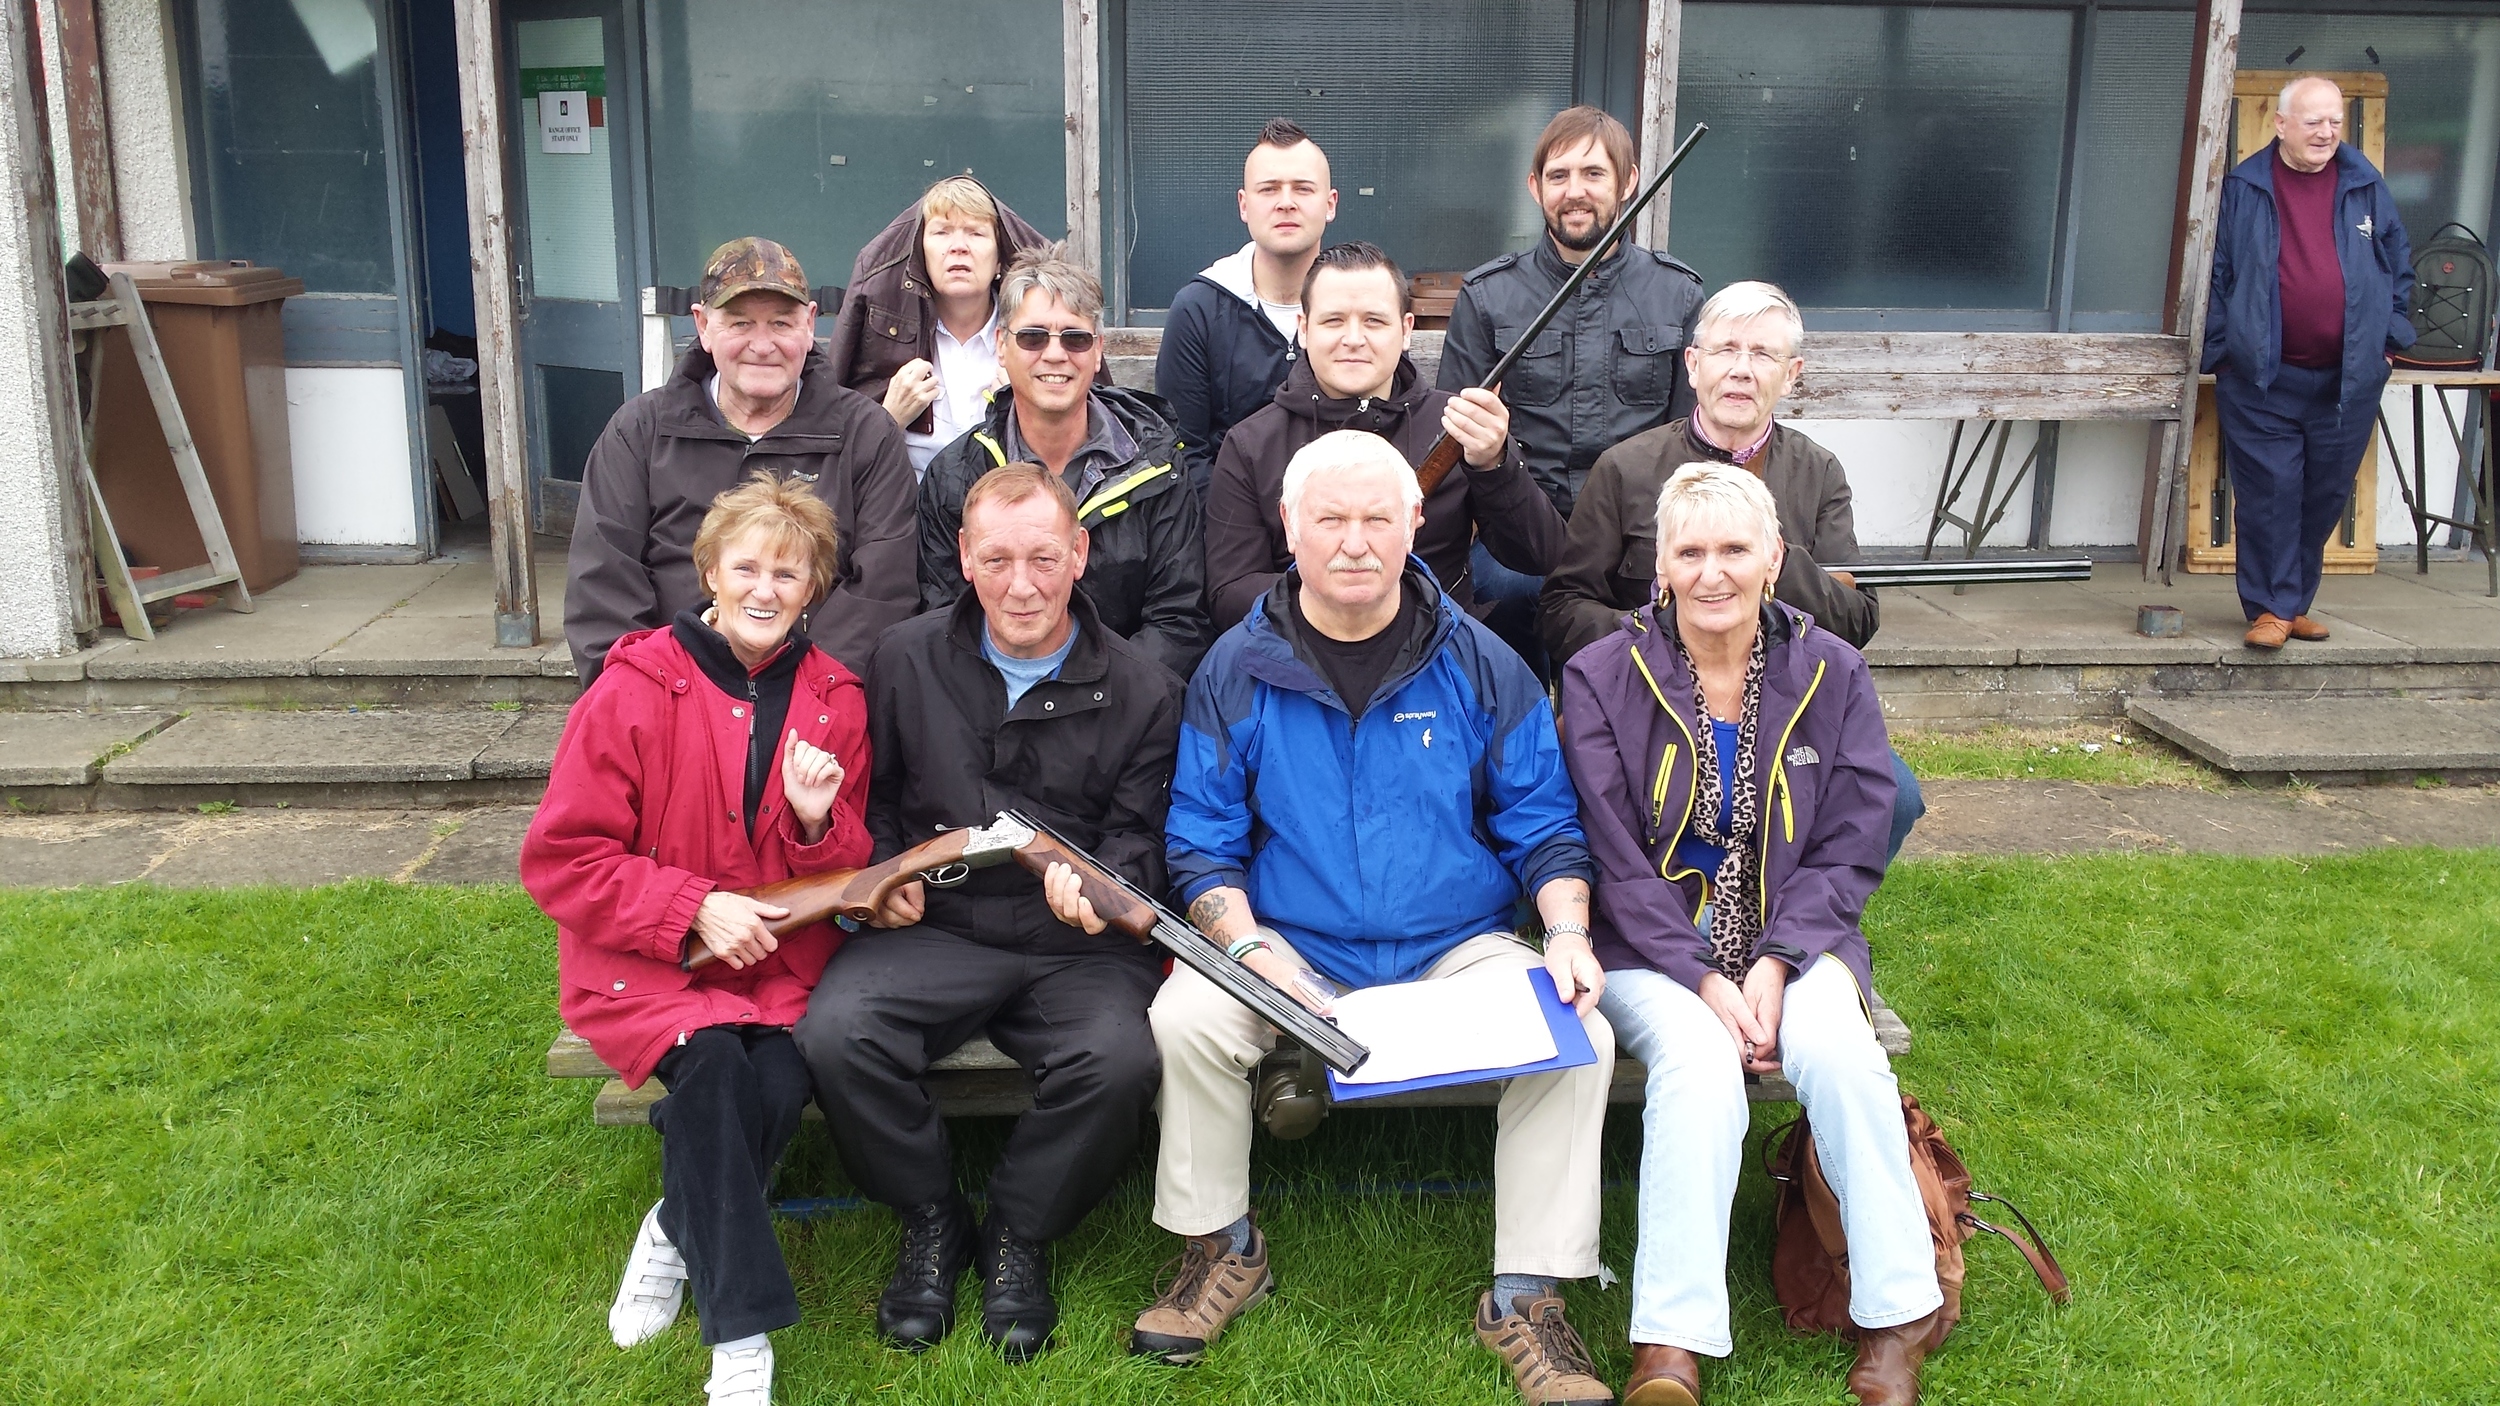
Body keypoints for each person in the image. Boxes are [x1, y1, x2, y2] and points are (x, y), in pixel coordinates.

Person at [1140, 430, 1617, 1406]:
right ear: (1289, 528)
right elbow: (1199, 838)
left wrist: (1566, 931)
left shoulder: (1483, 662)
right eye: (1330, 518)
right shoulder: (1235, 668)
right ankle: (1220, 1247)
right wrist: (1242, 942)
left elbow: (1545, 824)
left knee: (1583, 1034)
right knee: (1184, 1015)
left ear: (1413, 524)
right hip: (1288, 945)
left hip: (1450, 944)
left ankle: (1527, 1293)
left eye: (1375, 519)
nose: (1353, 541)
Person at [1558, 463, 1942, 1406]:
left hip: (1796, 942)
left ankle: (1900, 1316)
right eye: (1690, 552)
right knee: (1694, 1064)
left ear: (1774, 557)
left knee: (1843, 1055)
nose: (1712, 573)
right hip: (1651, 949)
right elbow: (1611, 854)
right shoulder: (1603, 673)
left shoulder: (1831, 671)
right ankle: (1670, 1342)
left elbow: (1855, 839)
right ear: (1661, 565)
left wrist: (1776, 961)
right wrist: (1703, 978)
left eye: (1734, 549)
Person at [796, 463, 1185, 1362]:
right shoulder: (904, 655)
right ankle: (930, 1219)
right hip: (939, 927)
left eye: (1045, 557)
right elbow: (881, 803)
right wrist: (883, 883)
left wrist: (1096, 891)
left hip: (1073, 944)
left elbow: (1141, 839)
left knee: (1120, 1059)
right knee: (837, 1033)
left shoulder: (1143, 686)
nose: (1023, 584)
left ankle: (1018, 1228)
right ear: (964, 557)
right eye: (999, 558)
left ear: (1080, 553)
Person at [524, 474, 872, 1406]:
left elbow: (845, 877)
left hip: (774, 970)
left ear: (814, 590)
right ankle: (743, 1335)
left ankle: (673, 1228)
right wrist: (690, 908)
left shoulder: (836, 696)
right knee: (715, 1072)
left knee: (777, 1079)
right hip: (653, 966)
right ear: (710, 572)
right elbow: (560, 859)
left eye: (788, 574)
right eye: (747, 567)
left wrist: (812, 822)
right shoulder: (634, 687)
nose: (765, 589)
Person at [1540, 281, 1924, 863]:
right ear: (1693, 365)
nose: (1742, 371)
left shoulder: (1818, 472)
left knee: (1896, 795)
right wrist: (1650, 638)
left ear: (1791, 374)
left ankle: (1796, 905)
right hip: (1652, 700)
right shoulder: (1626, 468)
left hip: (1780, 701)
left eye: (1763, 355)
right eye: (1725, 351)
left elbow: (1854, 620)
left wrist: (1773, 556)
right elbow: (1563, 607)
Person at [568, 237, 918, 683]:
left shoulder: (866, 434)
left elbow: (884, 588)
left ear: (810, 325)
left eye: (780, 323)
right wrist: (653, 693)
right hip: (670, 692)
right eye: (740, 324)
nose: (762, 344)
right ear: (703, 325)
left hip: (814, 698)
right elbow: (602, 584)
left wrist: (811, 694)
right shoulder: (640, 431)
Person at [1440, 105, 1705, 678]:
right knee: (1506, 599)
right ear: (1535, 187)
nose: (1575, 192)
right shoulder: (1489, 296)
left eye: (1593, 174)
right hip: (1518, 534)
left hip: (1641, 532)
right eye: (1558, 176)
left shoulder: (1677, 294)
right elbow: (1455, 437)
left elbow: (1693, 440)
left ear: (1629, 180)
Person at [1203, 240, 1563, 631]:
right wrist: (1341, 601)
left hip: (1438, 655)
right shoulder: (1251, 444)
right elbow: (1229, 592)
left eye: (1374, 321)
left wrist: (1495, 465)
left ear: (1406, 329)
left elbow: (1541, 556)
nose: (1354, 338)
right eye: (1333, 321)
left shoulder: (1456, 427)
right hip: (1293, 658)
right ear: (1303, 329)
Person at [919, 243, 1210, 677]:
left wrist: (1099, 698)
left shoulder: (1159, 467)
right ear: (1001, 346)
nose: (1055, 354)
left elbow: (1178, 620)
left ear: (1097, 352)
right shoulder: (954, 475)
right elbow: (944, 619)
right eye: (1033, 337)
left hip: (1121, 707)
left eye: (1074, 338)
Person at [2205, 74, 2415, 650]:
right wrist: (2225, 350)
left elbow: (2398, 268)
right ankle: (2271, 608)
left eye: (2335, 122)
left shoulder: (2366, 185)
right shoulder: (2244, 189)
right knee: (2272, 492)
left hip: (2348, 379)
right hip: (2262, 378)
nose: (2327, 133)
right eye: (2313, 121)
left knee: (2323, 493)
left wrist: (2388, 343)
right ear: (2280, 125)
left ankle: (2290, 601)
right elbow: (2214, 278)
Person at [828, 175, 1100, 478]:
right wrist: (889, 417)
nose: (958, 247)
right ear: (922, 256)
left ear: (999, 259)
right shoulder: (888, 337)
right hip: (909, 515)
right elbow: (837, 457)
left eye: (975, 233)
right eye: (942, 232)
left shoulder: (1031, 339)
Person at [1157, 118, 1339, 495]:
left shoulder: (1358, 303)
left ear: (1330, 204)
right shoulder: (1199, 310)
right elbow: (1184, 452)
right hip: (1228, 532)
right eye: (1269, 189)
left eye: (1303, 189)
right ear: (1244, 205)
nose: (1285, 202)